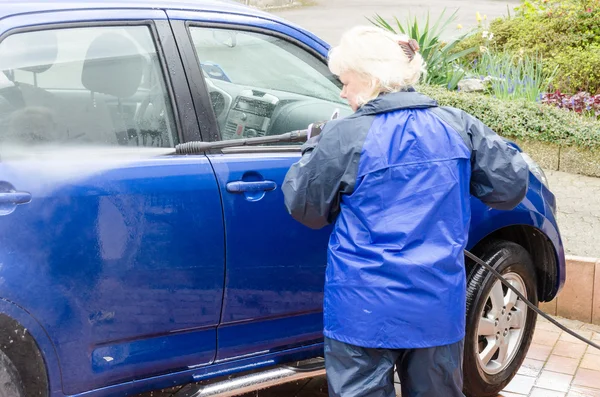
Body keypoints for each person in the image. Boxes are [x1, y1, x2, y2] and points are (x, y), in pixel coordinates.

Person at [281, 25, 529, 397]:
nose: (343, 91)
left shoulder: (344, 135)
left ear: (371, 80)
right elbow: (509, 187)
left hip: (363, 310)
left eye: (346, 82)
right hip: (435, 305)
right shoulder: (457, 125)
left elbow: (305, 208)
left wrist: (314, 147)